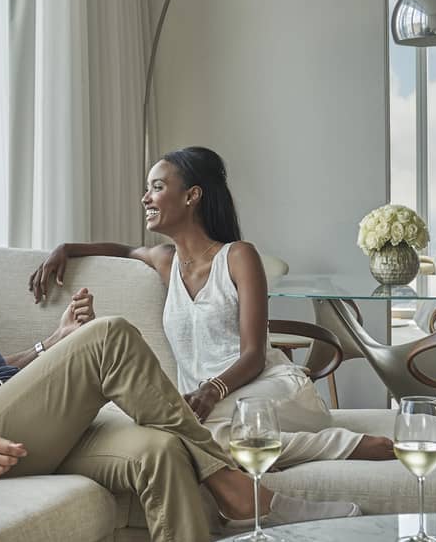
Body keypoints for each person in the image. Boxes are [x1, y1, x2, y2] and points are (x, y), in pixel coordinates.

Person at [0, 147, 358, 542]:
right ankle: (239, 493)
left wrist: (53, 345)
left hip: (8, 408)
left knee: (161, 449)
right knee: (110, 335)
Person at [28, 146, 395, 469]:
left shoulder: (238, 256)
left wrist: (211, 390)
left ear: (192, 196)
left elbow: (253, 356)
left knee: (186, 434)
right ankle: (334, 446)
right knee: (187, 438)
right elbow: (123, 251)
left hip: (272, 394)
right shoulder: (165, 262)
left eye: (157, 187)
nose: (145, 198)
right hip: (210, 416)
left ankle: (343, 444)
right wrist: (66, 248)